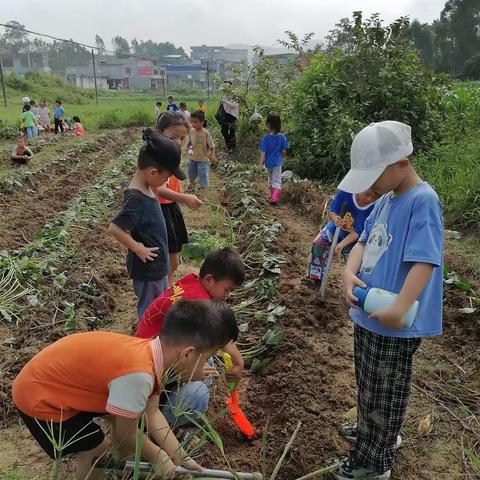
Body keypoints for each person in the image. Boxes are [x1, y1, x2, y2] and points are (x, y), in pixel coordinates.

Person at [12, 299, 238, 480]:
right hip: (41, 399)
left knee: (131, 418)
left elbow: (152, 413)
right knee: (97, 449)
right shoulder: (139, 375)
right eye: (206, 358)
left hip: (63, 385)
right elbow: (125, 434)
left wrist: (181, 457)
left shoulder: (154, 352)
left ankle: (126, 469)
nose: (206, 366)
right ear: (187, 354)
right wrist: (159, 456)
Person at [332, 121, 444, 480]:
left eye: (374, 176)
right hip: (369, 313)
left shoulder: (422, 201)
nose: (369, 185)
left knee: (387, 391)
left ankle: (374, 462)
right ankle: (372, 433)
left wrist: (399, 307)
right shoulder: (385, 200)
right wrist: (350, 272)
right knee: (368, 382)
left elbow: (426, 259)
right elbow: (362, 242)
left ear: (402, 163)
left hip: (394, 320)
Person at [136, 249, 246, 427]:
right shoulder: (200, 302)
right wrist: (237, 362)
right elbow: (218, 334)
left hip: (152, 350)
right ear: (209, 279)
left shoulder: (193, 281)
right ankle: (156, 425)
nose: (228, 295)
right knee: (198, 394)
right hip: (150, 373)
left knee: (206, 362)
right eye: (227, 289)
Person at [108, 134, 186, 320]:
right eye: (166, 177)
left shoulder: (148, 188)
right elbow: (115, 228)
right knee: (149, 310)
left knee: (157, 304)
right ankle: (145, 341)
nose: (166, 182)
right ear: (152, 172)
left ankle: (155, 332)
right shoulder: (136, 198)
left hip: (156, 268)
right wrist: (137, 248)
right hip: (148, 271)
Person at [154, 112, 203, 286]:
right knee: (165, 259)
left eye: (182, 139)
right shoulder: (157, 158)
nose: (178, 143)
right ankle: (165, 293)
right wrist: (184, 198)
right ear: (159, 133)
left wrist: (181, 198)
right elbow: (159, 189)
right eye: (174, 137)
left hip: (171, 208)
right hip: (159, 211)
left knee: (174, 260)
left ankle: (169, 289)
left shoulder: (171, 155)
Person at [307, 189, 377, 285]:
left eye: (374, 197)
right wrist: (335, 218)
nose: (369, 199)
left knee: (355, 262)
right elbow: (332, 211)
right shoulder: (345, 193)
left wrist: (340, 245)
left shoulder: (371, 209)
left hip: (353, 238)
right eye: (367, 194)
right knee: (319, 244)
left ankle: (354, 287)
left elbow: (357, 232)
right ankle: (316, 278)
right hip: (335, 227)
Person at [258, 114, 288, 204]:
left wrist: (260, 165)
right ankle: (274, 198)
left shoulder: (266, 138)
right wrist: (282, 157)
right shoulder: (282, 137)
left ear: (269, 125)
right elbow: (284, 151)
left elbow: (263, 153)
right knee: (277, 180)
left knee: (270, 179)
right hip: (277, 162)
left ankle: (272, 196)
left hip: (268, 163)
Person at [187, 110, 215, 190]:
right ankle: (192, 183)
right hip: (193, 158)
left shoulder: (206, 133)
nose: (193, 124)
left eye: (195, 122)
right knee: (191, 172)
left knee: (203, 173)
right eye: (191, 122)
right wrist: (188, 147)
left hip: (203, 159)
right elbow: (189, 143)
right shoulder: (191, 131)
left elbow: (212, 146)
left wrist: (212, 155)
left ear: (202, 122)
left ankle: (204, 188)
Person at [215, 81, 238, 152]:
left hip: (232, 116)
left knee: (232, 132)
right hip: (225, 116)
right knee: (224, 131)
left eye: (225, 89)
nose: (224, 90)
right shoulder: (224, 95)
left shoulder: (235, 95)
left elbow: (234, 106)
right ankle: (229, 145)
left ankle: (232, 147)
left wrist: (225, 102)